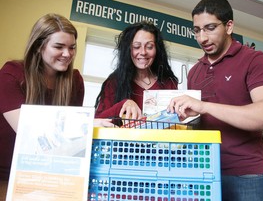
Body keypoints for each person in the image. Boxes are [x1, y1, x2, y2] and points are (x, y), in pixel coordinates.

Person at [167, 0, 263, 201]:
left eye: (210, 28)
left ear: (229, 26)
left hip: (245, 173)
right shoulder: (194, 72)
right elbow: (199, 121)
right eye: (197, 30)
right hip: (204, 171)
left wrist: (205, 106)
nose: (202, 38)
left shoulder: (255, 60)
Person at [0, 13, 113, 193]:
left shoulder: (74, 81)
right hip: (6, 174)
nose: (67, 54)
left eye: (72, 47)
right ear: (39, 46)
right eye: (59, 46)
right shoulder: (11, 74)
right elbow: (28, 130)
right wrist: (84, 125)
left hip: (48, 174)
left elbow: (69, 141)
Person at [95, 21, 178, 120]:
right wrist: (123, 104)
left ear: (157, 50)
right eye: (136, 47)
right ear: (128, 50)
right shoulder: (114, 82)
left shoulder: (169, 83)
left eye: (149, 47)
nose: (143, 52)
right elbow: (97, 120)